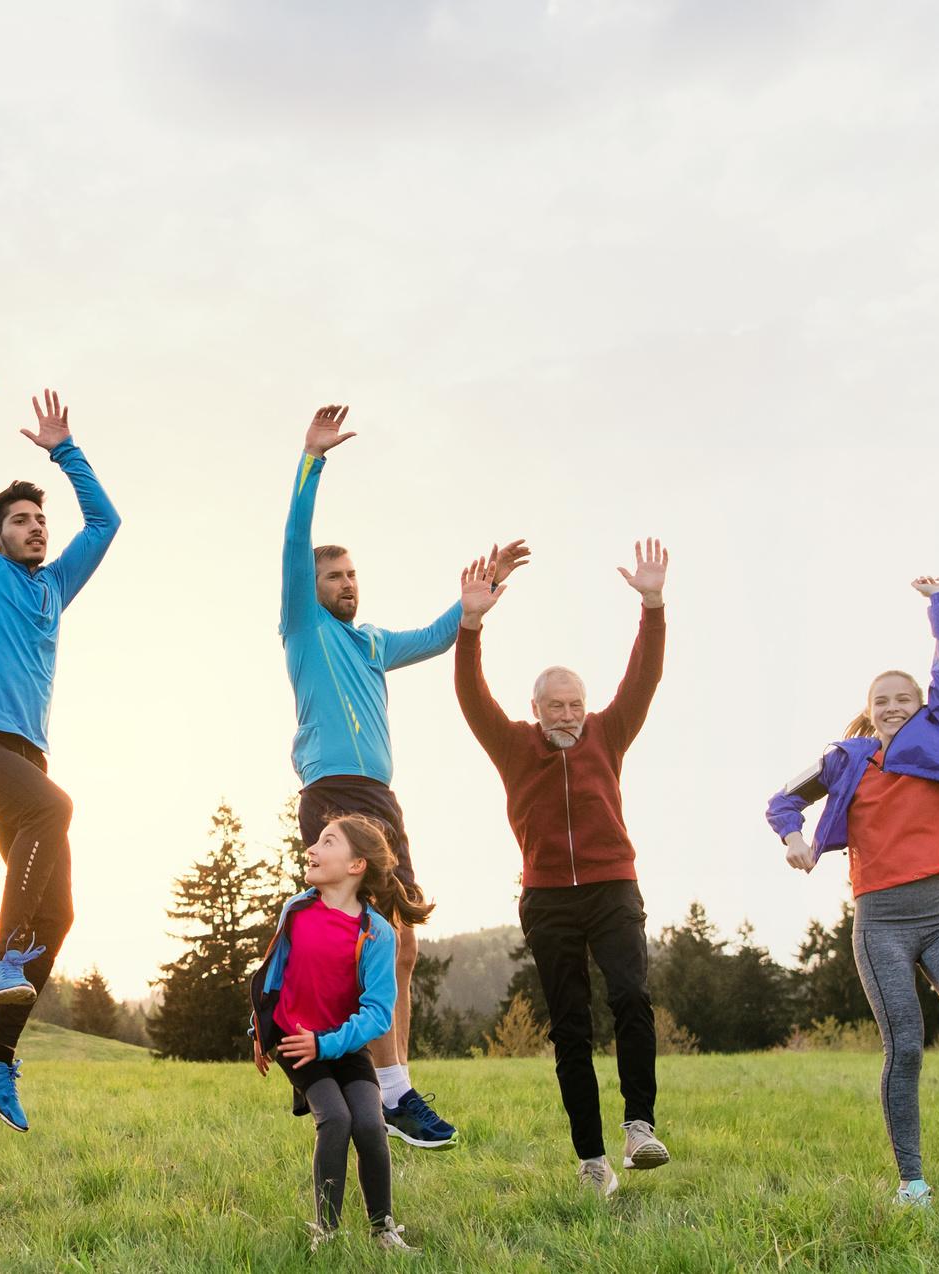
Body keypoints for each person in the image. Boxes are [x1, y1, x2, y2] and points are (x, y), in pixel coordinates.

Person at [281, 403, 526, 1149]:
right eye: (334, 575)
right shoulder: (304, 624)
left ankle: (388, 1081)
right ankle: (380, 1084)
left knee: (404, 943)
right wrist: (311, 460)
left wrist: (473, 604)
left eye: (353, 574)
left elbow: (433, 633)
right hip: (335, 794)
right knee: (365, 941)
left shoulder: (371, 642)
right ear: (312, 586)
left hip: (381, 800)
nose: (347, 584)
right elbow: (294, 544)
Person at [768, 577, 939, 1207]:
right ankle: (912, 1183)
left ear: (920, 706)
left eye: (903, 698)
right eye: (880, 700)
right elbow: (784, 799)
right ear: (869, 708)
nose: (891, 707)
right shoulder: (845, 760)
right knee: (905, 1045)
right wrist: (793, 838)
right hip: (879, 922)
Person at [452, 540, 672, 1197]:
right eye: (556, 705)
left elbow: (645, 676)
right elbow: (471, 696)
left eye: (575, 703)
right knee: (570, 1028)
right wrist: (470, 624)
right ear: (537, 709)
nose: (569, 714)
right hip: (546, 899)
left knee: (631, 996)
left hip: (612, 887)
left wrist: (652, 606)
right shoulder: (512, 745)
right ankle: (591, 1162)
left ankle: (638, 1128)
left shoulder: (609, 731)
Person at [0, 327, 121, 1132]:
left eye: (37, 520)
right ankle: (5, 952)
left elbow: (106, 523)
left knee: (64, 914)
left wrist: (66, 451)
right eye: (19, 520)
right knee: (53, 810)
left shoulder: (53, 588)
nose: (34, 527)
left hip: (26, 756)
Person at [250, 814, 427, 1254]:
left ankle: (383, 1230)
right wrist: (258, 1028)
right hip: (296, 1040)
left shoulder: (377, 933)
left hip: (343, 1044)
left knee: (369, 1123)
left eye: (327, 842)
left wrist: (327, 1042)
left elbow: (376, 1015)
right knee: (336, 1119)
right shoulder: (297, 910)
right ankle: (326, 1235)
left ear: (356, 865)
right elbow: (272, 974)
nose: (312, 848)